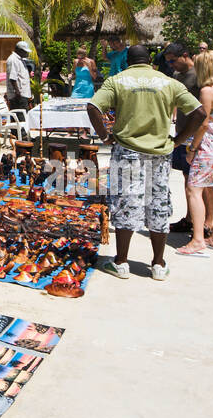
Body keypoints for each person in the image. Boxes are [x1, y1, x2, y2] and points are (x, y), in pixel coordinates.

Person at [87, 43, 205, 280]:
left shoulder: (117, 80)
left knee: (125, 203)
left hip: (127, 151)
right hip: (160, 154)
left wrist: (105, 136)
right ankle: (158, 264)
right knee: (158, 203)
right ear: (150, 60)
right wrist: (179, 139)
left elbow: (92, 107)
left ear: (128, 61)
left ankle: (121, 262)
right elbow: (200, 113)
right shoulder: (168, 82)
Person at [177, 50, 213, 257]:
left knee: (194, 190)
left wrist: (192, 149)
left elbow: (202, 123)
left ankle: (198, 239)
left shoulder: (207, 91)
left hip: (208, 147)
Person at [162, 41, 206, 239]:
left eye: (173, 61)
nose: (171, 66)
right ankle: (190, 219)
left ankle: (204, 224)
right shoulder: (177, 75)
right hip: (182, 133)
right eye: (169, 63)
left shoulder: (199, 75)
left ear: (185, 55)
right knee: (187, 179)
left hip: (196, 135)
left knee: (198, 184)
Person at [5, 41, 33, 113]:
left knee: (24, 118)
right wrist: (17, 93)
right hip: (18, 97)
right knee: (21, 119)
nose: (27, 53)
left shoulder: (19, 59)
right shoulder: (13, 60)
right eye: (25, 52)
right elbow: (12, 78)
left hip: (23, 95)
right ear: (20, 50)